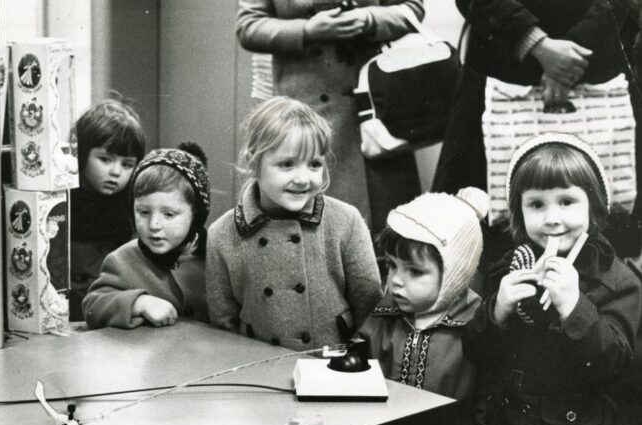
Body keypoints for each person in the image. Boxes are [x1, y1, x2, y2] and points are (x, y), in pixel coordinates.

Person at [464, 133, 641, 425]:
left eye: (567, 201)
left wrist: (575, 308)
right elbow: (476, 351)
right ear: (518, 212)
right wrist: (497, 310)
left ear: (594, 208)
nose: (552, 217)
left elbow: (619, 367)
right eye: (536, 204)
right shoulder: (511, 267)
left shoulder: (619, 280)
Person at [433, 0, 637, 263]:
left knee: (602, 233)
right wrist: (536, 44)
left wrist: (570, 55)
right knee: (485, 238)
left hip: (594, 71)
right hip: (502, 73)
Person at [357, 186, 489, 425]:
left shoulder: (475, 327)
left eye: (415, 272)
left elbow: (483, 406)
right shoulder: (386, 314)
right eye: (391, 267)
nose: (396, 281)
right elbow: (361, 368)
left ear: (454, 274)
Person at [207, 96, 381, 351]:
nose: (303, 178)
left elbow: (371, 308)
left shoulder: (346, 221)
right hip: (257, 370)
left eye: (314, 164)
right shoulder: (222, 234)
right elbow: (223, 322)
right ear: (253, 161)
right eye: (287, 164)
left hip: (332, 369)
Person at [235, 0, 424, 233]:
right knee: (306, 230)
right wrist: (307, 31)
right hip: (303, 113)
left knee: (384, 230)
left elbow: (412, 8)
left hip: (374, 108)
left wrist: (369, 19)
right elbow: (248, 26)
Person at [83, 143, 210, 329]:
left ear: (196, 215)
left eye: (169, 214)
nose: (154, 225)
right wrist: (138, 303)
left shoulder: (215, 257)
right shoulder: (122, 260)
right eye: (143, 212)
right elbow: (92, 305)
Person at [69, 98, 147, 321]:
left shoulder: (134, 206)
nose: (116, 172)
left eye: (127, 164)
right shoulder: (59, 202)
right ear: (82, 155)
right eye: (105, 159)